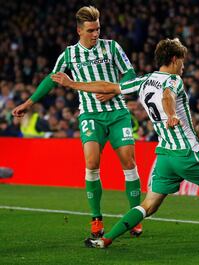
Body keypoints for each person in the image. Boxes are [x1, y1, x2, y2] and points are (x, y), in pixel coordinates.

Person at [51, 38, 199, 248]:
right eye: (182, 62)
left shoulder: (143, 81)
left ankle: (106, 239)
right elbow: (168, 95)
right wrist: (171, 114)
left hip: (164, 156)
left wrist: (73, 84)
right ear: (173, 60)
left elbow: (108, 87)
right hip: (188, 152)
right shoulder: (173, 80)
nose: (183, 67)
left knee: (148, 205)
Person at [12, 6, 142, 238]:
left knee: (128, 162)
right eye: (91, 30)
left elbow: (130, 75)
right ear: (79, 30)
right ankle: (96, 219)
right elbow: (52, 80)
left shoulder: (112, 47)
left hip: (118, 112)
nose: (96, 34)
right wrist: (28, 103)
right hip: (90, 115)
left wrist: (113, 92)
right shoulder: (70, 55)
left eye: (98, 29)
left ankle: (135, 216)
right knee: (91, 163)